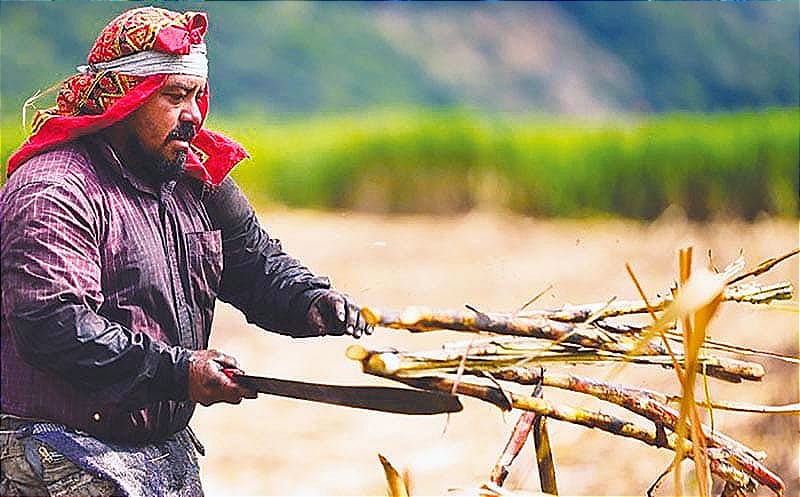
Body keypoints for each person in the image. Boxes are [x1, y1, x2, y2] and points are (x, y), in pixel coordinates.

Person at [0, 6, 372, 496]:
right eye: (174, 97)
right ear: (123, 100)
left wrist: (311, 301)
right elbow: (54, 326)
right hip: (56, 451)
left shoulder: (193, 179)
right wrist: (180, 371)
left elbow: (256, 266)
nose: (193, 115)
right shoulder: (55, 190)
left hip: (157, 447)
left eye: (196, 95)